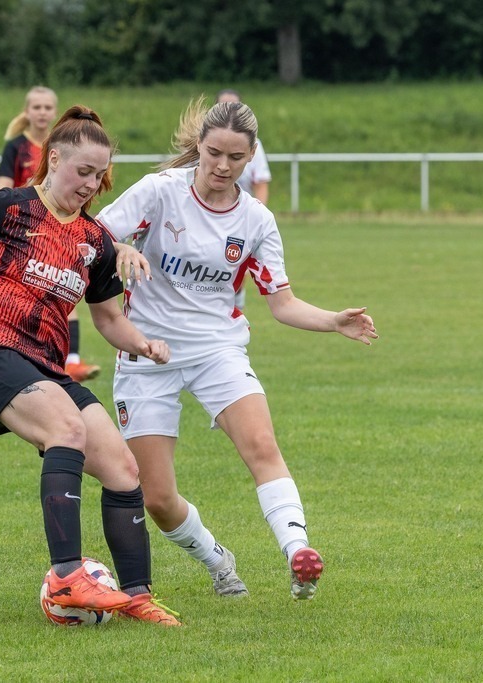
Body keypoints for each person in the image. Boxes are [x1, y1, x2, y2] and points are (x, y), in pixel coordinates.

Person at [0, 104, 180, 626]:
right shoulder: (10, 208)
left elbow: (107, 320)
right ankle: (66, 577)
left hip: (44, 366)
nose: (91, 184)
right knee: (67, 428)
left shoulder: (95, 240)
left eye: (100, 176)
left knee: (124, 470)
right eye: (83, 171)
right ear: (54, 159)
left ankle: (138, 598)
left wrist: (144, 343)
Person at [95, 97, 378, 601]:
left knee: (262, 448)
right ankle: (217, 559)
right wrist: (122, 247)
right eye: (213, 153)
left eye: (235, 158)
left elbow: (283, 304)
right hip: (145, 353)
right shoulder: (160, 193)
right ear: (198, 148)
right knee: (157, 497)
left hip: (218, 351)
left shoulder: (256, 221)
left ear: (251, 158)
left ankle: (298, 554)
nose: (222, 166)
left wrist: (334, 321)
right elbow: (93, 233)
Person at [0, 86, 100, 383]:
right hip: (26, 232)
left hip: (60, 228)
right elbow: (3, 189)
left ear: (55, 112)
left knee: (66, 289)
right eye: (36, 107)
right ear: (27, 111)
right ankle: (25, 354)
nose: (41, 112)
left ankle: (71, 362)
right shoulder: (16, 146)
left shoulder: (63, 144)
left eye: (46, 108)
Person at [215, 89, 271, 312]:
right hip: (207, 216)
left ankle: (234, 312)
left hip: (238, 220)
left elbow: (261, 184)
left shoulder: (253, 145)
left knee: (236, 272)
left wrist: (255, 224)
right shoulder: (206, 142)